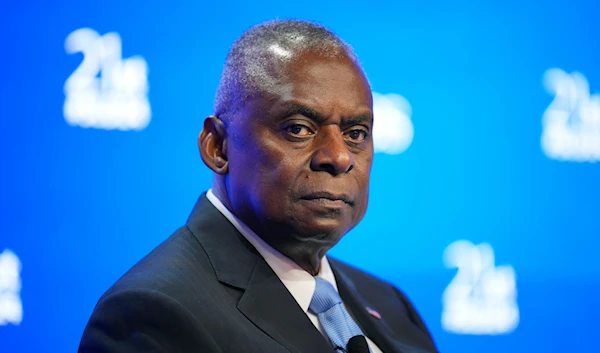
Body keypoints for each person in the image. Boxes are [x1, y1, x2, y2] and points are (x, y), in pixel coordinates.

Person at [79, 20, 438, 353]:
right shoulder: (152, 314)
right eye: (298, 128)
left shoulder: (391, 304)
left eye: (356, 134)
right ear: (218, 146)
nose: (339, 157)